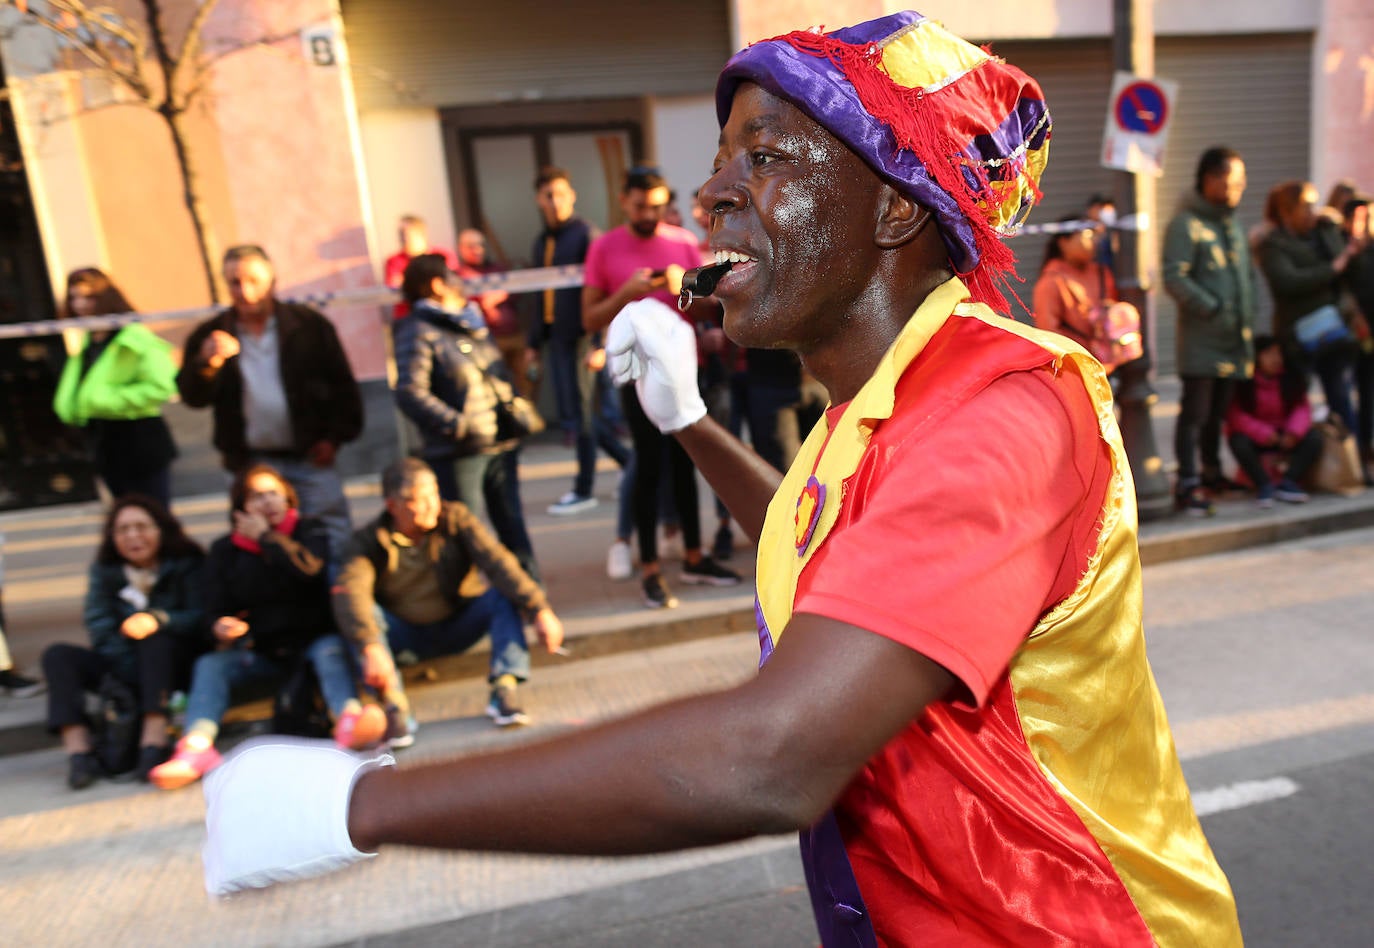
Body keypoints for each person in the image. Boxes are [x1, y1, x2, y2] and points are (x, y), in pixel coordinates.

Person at [203, 13, 1242, 946]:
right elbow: (837, 545)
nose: (710, 195)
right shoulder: (877, 404)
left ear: (892, 208)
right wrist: (692, 424)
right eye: (720, 161)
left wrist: (359, 806)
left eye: (767, 157)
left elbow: (772, 756)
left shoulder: (1004, 410)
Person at [149, 465, 384, 790]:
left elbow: (310, 571)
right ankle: (196, 746)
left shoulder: (310, 530)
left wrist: (266, 538)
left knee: (329, 650)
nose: (267, 501)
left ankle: (350, 720)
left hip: (313, 643)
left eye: (273, 493)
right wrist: (220, 626)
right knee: (210, 665)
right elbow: (213, 609)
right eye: (257, 496)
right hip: (261, 651)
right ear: (240, 507)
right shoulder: (225, 551)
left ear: (288, 498)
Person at [582, 165, 740, 608]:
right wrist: (626, 295)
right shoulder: (604, 248)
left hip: (683, 368)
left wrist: (685, 286)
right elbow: (589, 319)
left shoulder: (683, 242)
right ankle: (649, 567)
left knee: (687, 462)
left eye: (656, 205)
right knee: (648, 468)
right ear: (623, 201)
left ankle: (694, 555)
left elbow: (714, 308)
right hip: (635, 372)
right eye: (640, 206)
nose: (650, 214)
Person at [333, 459, 563, 739]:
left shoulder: (456, 519)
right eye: (419, 499)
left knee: (500, 598)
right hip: (404, 635)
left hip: (458, 623)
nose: (432, 505)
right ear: (392, 506)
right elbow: (351, 593)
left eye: (434, 494)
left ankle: (504, 688)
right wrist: (369, 645)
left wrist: (540, 610)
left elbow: (499, 563)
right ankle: (395, 706)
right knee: (362, 616)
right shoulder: (367, 542)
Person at [177, 245, 363, 565]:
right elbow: (193, 397)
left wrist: (334, 438)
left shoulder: (309, 327)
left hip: (310, 458)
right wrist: (206, 364)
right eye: (235, 282)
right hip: (249, 465)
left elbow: (343, 388)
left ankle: (340, 609)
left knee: (331, 542)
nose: (245, 292)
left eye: (253, 281)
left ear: (273, 281)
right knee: (258, 546)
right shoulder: (212, 334)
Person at [391, 253, 541, 582]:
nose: (462, 284)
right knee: (464, 531)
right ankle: (467, 603)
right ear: (437, 285)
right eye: (454, 276)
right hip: (460, 452)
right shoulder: (416, 330)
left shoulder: (468, 321)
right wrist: (456, 424)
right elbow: (408, 392)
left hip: (499, 442)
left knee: (512, 524)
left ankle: (531, 597)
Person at [41, 495, 206, 787]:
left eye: (141, 527)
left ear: (161, 530)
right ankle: (80, 752)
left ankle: (152, 743)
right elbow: (99, 627)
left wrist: (158, 620)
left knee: (155, 640)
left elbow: (200, 616)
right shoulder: (105, 572)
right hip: (121, 662)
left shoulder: (188, 564)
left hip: (174, 666)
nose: (133, 536)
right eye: (123, 529)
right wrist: (131, 657)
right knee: (57, 655)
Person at [525, 167, 633, 523]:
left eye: (560, 194)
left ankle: (585, 489)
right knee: (577, 415)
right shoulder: (542, 242)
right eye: (547, 196)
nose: (554, 202)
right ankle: (630, 463)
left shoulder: (587, 236)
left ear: (571, 195)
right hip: (557, 339)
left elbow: (603, 290)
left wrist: (601, 341)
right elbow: (543, 294)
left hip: (585, 338)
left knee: (585, 416)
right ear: (539, 201)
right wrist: (533, 342)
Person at [1162, 146, 1258, 516]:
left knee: (1217, 414)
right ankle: (1187, 482)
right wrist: (1212, 308)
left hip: (1233, 339)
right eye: (1235, 180)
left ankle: (1211, 472)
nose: (1241, 187)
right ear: (1210, 180)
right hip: (1203, 341)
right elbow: (1174, 276)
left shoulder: (1230, 222)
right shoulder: (1187, 224)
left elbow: (1244, 275)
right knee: (1195, 414)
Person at [51, 268, 179, 508]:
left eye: (88, 297)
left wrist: (105, 400)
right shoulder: (89, 342)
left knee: (153, 517)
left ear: (106, 298)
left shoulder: (133, 337)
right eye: (74, 297)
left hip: (139, 441)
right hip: (105, 443)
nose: (80, 305)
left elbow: (162, 385)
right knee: (125, 516)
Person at [1255, 180, 1366, 436]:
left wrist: (1344, 242)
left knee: (1340, 397)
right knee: (1296, 401)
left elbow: (1350, 269)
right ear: (1286, 211)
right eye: (1305, 206)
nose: (1311, 211)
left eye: (1313, 205)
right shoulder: (1273, 244)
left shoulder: (1323, 232)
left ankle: (1350, 461)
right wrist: (1331, 269)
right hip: (1297, 337)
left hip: (1333, 332)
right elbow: (1288, 282)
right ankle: (1296, 460)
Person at [1031, 217, 1141, 374]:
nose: (1095, 240)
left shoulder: (1101, 272)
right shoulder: (1051, 281)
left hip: (1112, 359)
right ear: (1063, 242)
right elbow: (1049, 332)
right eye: (1088, 234)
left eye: (1096, 235)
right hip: (1076, 367)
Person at [1225, 335, 1321, 507]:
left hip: (1286, 436)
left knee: (1314, 438)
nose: (1275, 359)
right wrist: (1264, 433)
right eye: (1268, 353)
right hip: (1259, 438)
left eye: (1278, 353)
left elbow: (1302, 408)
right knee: (1237, 440)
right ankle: (1264, 485)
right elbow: (1235, 415)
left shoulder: (1291, 378)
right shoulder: (1243, 382)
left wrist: (1293, 432)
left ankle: (1289, 482)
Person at [455, 228, 530, 397]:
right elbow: (461, 306)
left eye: (481, 245)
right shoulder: (461, 276)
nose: (478, 250)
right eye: (472, 246)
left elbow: (516, 292)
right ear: (462, 248)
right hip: (485, 341)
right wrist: (484, 304)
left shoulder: (498, 269)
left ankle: (525, 415)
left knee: (527, 376)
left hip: (513, 335)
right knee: (495, 385)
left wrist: (502, 295)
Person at [1342, 194, 1374, 480]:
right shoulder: (1340, 247)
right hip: (1345, 334)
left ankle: (1368, 452)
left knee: (1369, 396)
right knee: (1345, 395)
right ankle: (1352, 457)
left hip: (1368, 334)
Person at [384, 215, 458, 320]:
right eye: (400, 233)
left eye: (405, 233)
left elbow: (452, 284)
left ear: (421, 234)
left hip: (442, 313)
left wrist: (408, 281)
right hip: (409, 317)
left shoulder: (442, 255)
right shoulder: (394, 261)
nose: (402, 238)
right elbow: (394, 287)